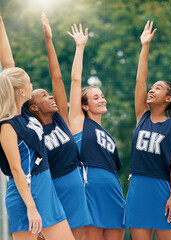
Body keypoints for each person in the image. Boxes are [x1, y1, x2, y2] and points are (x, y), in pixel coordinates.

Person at [0, 17, 75, 240]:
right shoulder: (7, 126)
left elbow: (8, 63)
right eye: (29, 82)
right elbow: (16, 170)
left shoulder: (23, 113)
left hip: (45, 188)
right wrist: (31, 207)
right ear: (21, 92)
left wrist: (2, 23)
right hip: (27, 195)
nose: (32, 85)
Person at [23, 14, 92, 240]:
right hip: (50, 190)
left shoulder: (61, 119)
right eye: (44, 95)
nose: (50, 95)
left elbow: (58, 77)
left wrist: (48, 38)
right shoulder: (31, 132)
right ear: (33, 108)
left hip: (74, 184)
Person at [125, 21, 171, 240]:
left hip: (162, 190)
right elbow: (140, 80)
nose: (151, 89)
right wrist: (145, 46)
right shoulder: (142, 116)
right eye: (152, 87)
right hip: (138, 188)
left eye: (157, 88)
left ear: (168, 99)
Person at [67, 23, 125, 240]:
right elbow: (75, 81)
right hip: (91, 191)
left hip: (114, 192)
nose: (102, 99)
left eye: (102, 96)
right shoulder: (78, 122)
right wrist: (80, 48)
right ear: (84, 105)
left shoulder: (107, 134)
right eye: (95, 97)